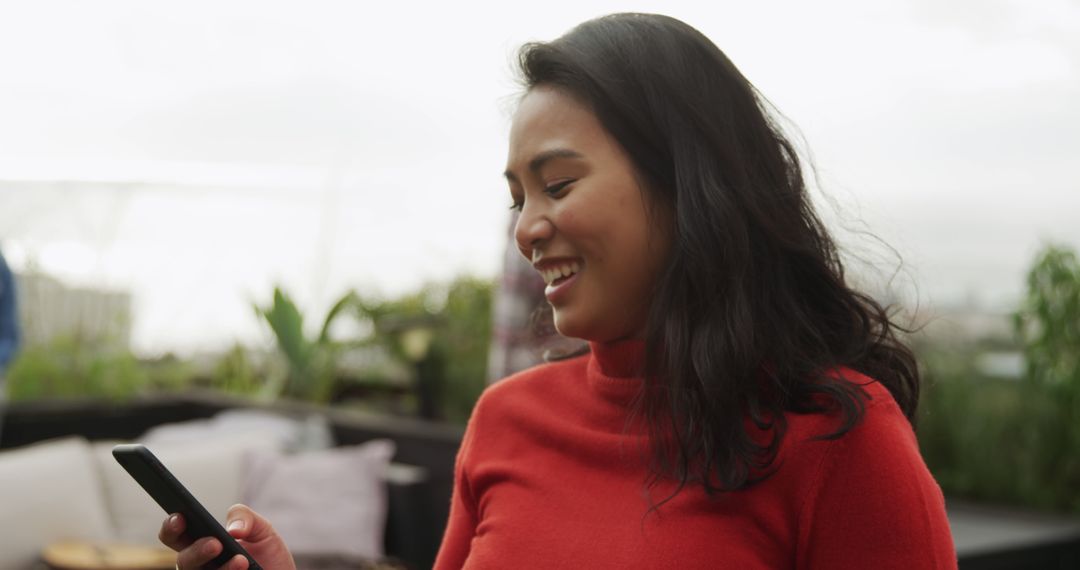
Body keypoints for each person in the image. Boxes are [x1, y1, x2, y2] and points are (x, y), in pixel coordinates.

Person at [161, 13, 957, 569]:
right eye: (519, 198)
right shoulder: (508, 420)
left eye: (559, 184)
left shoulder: (838, 440)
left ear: (689, 185)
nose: (527, 229)